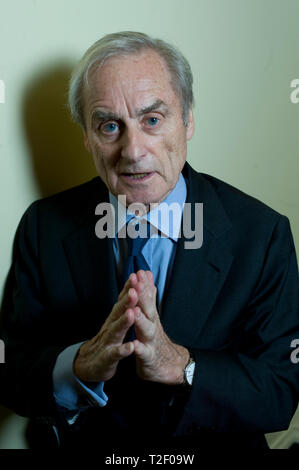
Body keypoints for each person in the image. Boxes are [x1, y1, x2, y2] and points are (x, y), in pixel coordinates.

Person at [0, 31, 298, 451]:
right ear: (86, 135)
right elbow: (11, 374)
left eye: (152, 120)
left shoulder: (262, 234)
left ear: (188, 119)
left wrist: (181, 366)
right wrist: (78, 365)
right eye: (109, 126)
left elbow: (280, 391)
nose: (133, 151)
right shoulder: (42, 227)